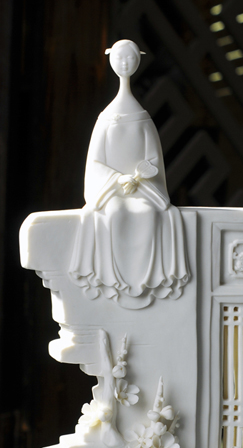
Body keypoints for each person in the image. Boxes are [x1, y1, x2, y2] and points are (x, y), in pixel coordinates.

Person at [69, 40, 189, 309]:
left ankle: (148, 282)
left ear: (138, 60)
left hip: (141, 189)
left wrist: (138, 178)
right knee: (113, 213)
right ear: (111, 60)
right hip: (112, 191)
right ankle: (113, 281)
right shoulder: (106, 119)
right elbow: (96, 162)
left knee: (148, 213)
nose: (125, 63)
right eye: (120, 58)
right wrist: (117, 179)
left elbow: (153, 159)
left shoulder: (142, 119)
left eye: (130, 58)